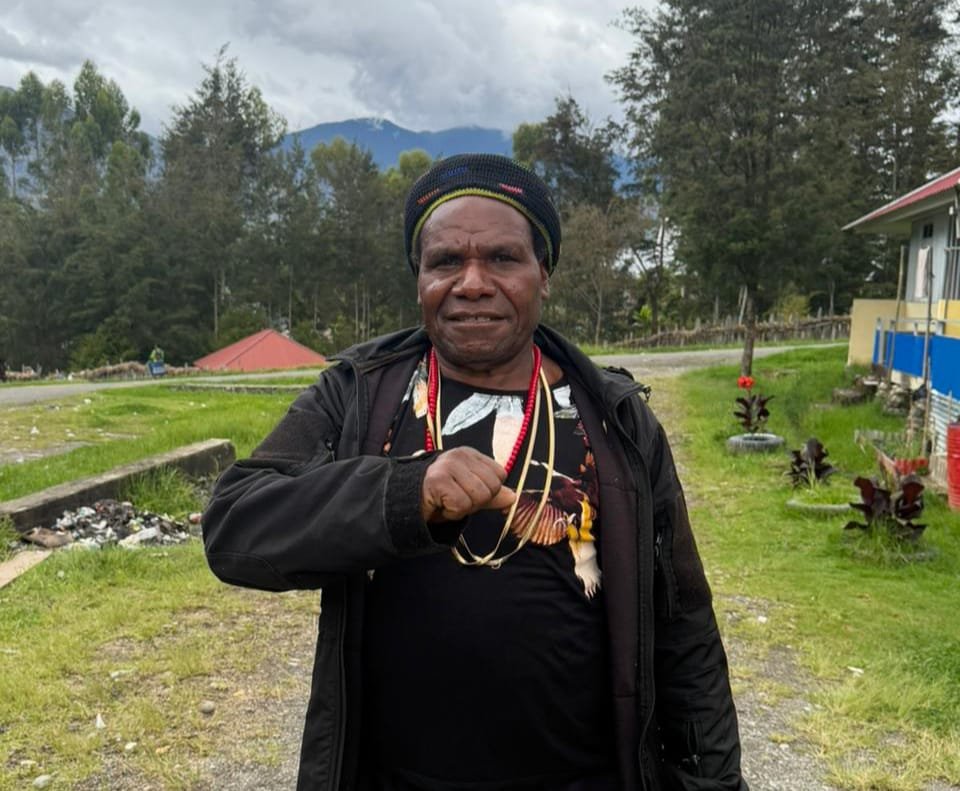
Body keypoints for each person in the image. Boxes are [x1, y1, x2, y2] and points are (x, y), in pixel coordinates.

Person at [202, 154, 747, 791]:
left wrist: (715, 781)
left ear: (544, 274)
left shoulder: (616, 419)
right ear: (419, 280)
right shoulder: (358, 397)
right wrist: (407, 494)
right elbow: (236, 529)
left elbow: (684, 623)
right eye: (445, 262)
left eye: (503, 258)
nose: (472, 283)